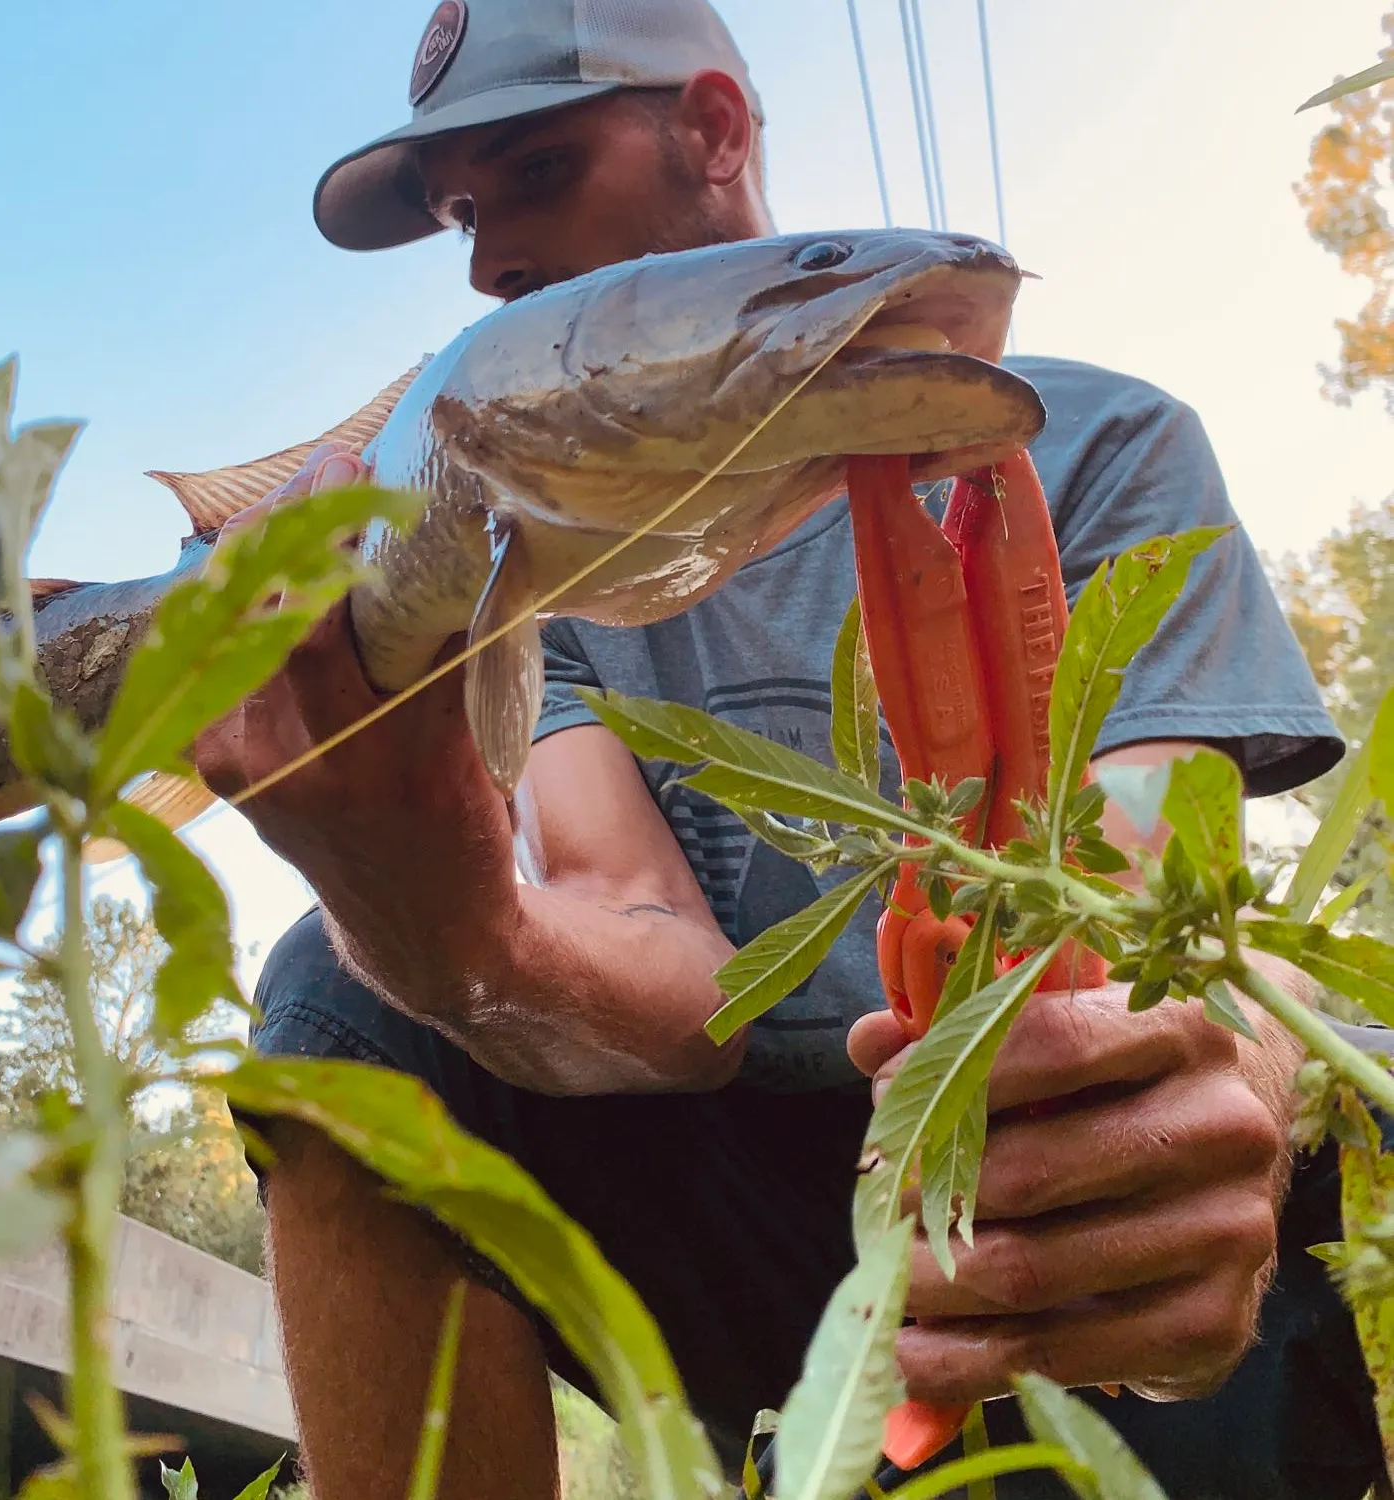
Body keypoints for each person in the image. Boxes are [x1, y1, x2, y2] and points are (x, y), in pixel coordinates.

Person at [196, 3, 1384, 1496]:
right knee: (337, 993)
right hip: (753, 1186)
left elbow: (1144, 887)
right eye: (461, 218)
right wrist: (447, 934)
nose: (489, 257)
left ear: (716, 129)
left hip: (1046, 1117)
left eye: (541, 169)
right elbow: (655, 953)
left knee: (1214, 1086)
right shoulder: (525, 575)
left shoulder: (1110, 445)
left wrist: (1234, 1065)